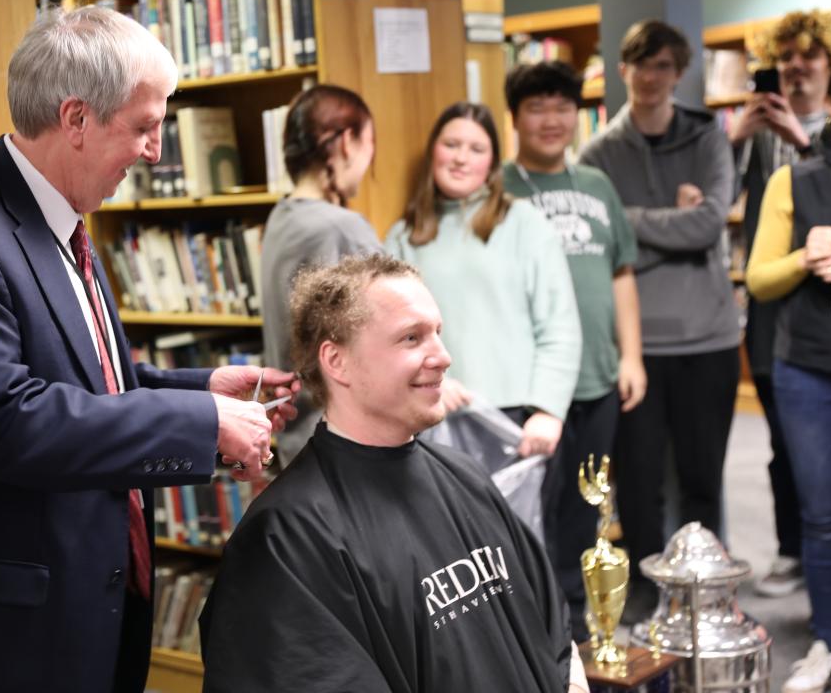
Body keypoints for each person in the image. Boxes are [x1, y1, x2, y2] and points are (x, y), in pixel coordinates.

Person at [0, 6, 299, 693]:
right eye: (145, 127)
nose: (156, 151)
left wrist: (200, 391)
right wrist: (200, 427)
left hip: (73, 614)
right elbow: (2, 420)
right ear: (75, 120)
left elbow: (86, 378)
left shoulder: (60, 220)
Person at [199, 254, 588, 693]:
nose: (443, 357)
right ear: (337, 361)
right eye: (411, 338)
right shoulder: (287, 537)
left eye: (437, 333)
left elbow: (553, 629)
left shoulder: (466, 476)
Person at [579, 19, 741, 622]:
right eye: (641, 65)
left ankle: (706, 580)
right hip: (637, 345)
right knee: (639, 482)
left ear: (679, 74)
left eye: (664, 67)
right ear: (622, 71)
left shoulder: (707, 140)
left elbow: (709, 224)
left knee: (703, 474)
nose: (652, 78)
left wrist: (629, 221)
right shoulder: (596, 155)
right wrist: (670, 224)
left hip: (710, 337)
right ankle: (648, 585)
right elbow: (601, 245)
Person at [748, 53, 831, 693]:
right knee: (826, 517)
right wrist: (805, 255)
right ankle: (827, 640)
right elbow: (758, 279)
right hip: (808, 376)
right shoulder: (794, 180)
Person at [500, 60, 644, 641]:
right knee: (532, 509)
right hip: (532, 387)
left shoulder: (596, 186)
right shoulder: (499, 190)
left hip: (599, 379)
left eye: (563, 106)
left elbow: (622, 274)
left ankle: (578, 623)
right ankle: (536, 625)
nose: (553, 119)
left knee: (588, 509)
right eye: (537, 107)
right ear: (515, 118)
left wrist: (631, 355)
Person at [729, 9, 831, 597]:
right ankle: (790, 548)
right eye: (786, 61)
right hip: (770, 298)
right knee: (784, 436)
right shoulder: (753, 133)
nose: (797, 70)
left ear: (830, 66)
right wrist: (736, 141)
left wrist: (800, 143)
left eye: (809, 60)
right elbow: (722, 200)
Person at [386, 102, 581, 459]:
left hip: (517, 421)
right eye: (451, 145)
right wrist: (426, 384)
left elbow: (560, 326)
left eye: (476, 149)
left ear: (491, 164)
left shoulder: (524, 224)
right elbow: (389, 335)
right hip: (429, 414)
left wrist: (548, 411)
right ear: (433, 151)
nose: (461, 158)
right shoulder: (402, 236)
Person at [261, 84, 382, 466]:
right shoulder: (341, 228)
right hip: (350, 445)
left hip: (300, 443)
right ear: (347, 143)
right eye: (369, 144)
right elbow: (394, 332)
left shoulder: (280, 219)